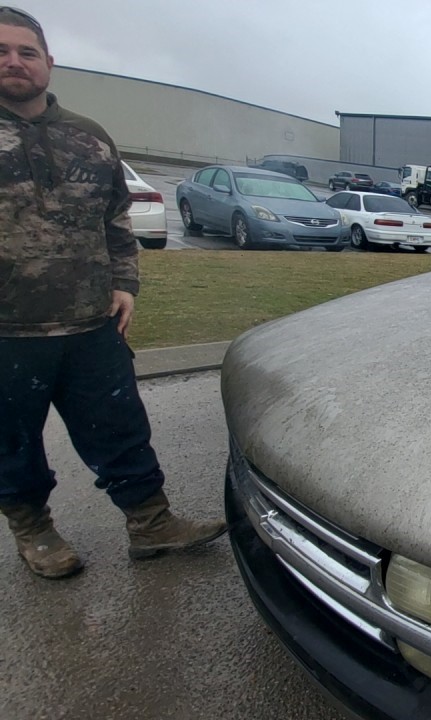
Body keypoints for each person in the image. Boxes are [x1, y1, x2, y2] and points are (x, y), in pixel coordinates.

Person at [0, 6, 225, 579]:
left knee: (121, 429)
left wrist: (125, 282)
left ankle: (151, 524)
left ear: (49, 62)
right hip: (7, 332)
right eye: (2, 51)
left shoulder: (89, 137)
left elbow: (116, 220)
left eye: (27, 52)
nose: (14, 62)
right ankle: (36, 531)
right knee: (12, 444)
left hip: (91, 324)